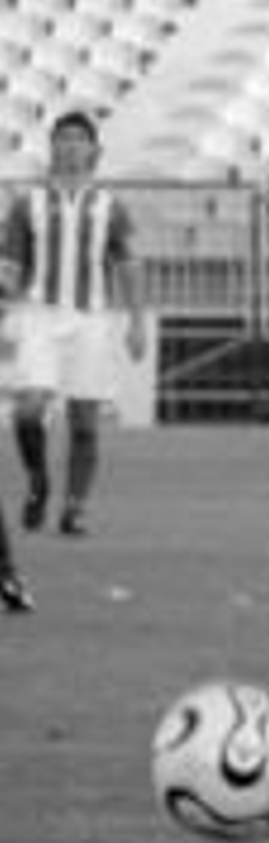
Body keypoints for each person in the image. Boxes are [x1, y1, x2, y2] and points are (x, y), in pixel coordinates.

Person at [0, 110, 146, 537]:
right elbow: (9, 266)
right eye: (62, 137)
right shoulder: (27, 204)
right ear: (52, 147)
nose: (69, 145)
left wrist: (136, 322)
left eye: (78, 138)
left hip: (91, 320)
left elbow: (129, 265)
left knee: (84, 420)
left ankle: (75, 508)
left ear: (93, 149)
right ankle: (38, 481)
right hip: (39, 316)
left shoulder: (110, 206)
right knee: (29, 409)